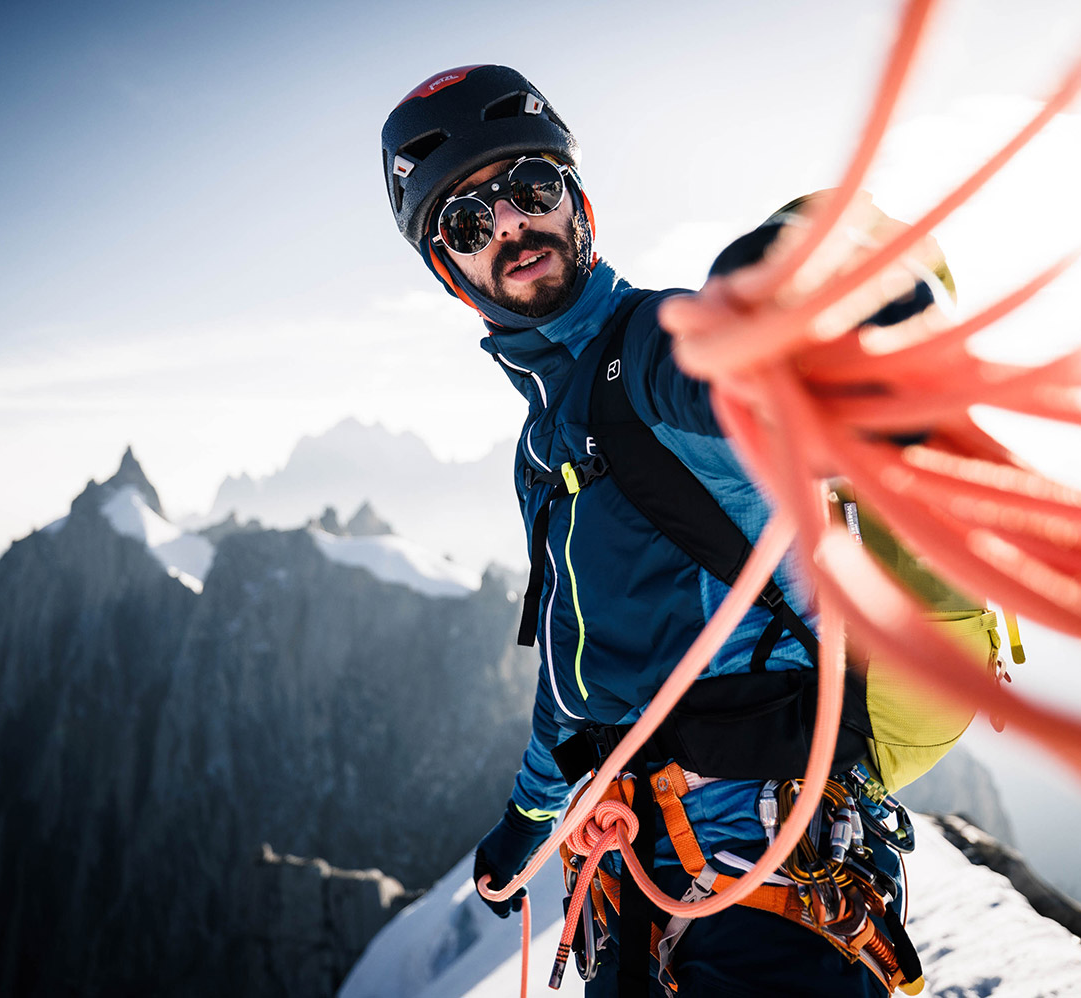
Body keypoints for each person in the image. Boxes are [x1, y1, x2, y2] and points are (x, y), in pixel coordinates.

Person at [380, 64, 960, 998]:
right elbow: (576, 677)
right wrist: (530, 815)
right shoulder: (541, 450)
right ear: (450, 270)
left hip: (766, 881)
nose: (513, 228)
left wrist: (798, 296)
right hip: (635, 893)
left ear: (579, 204)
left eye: (531, 190)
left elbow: (747, 370)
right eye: (470, 222)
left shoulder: (658, 352)